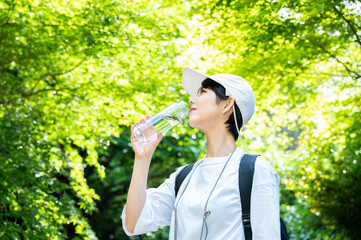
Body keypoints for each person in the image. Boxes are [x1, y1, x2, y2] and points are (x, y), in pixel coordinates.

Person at [122, 67, 281, 239]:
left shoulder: (255, 170)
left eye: (202, 92)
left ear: (227, 104)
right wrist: (142, 158)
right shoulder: (183, 177)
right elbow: (134, 223)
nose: (191, 100)